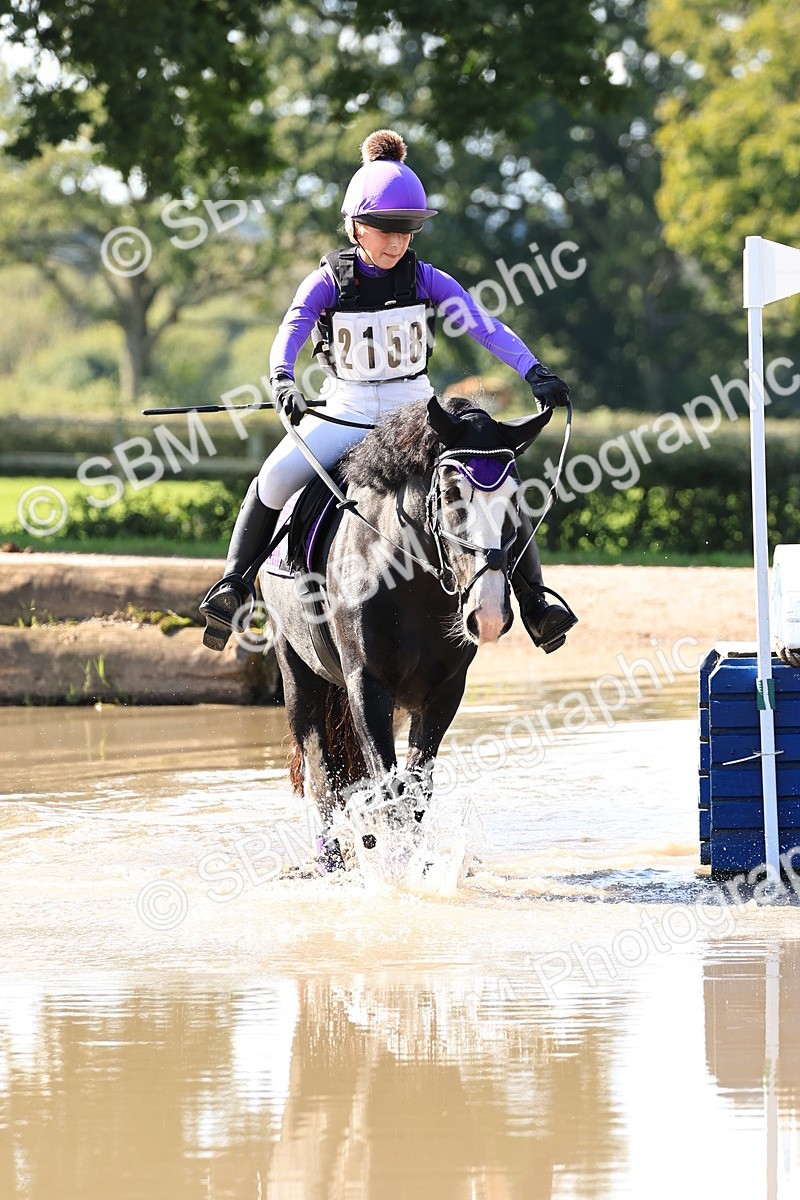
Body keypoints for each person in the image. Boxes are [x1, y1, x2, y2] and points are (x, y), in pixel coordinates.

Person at [201, 129, 577, 653]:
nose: (397, 242)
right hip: (346, 411)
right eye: (385, 230)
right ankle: (234, 586)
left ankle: (534, 602)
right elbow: (292, 327)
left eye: (406, 231)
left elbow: (482, 326)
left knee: (493, 475)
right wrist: (283, 379)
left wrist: (533, 369)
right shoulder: (328, 280)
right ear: (356, 226)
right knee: (273, 478)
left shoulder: (426, 278)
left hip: (416, 415)